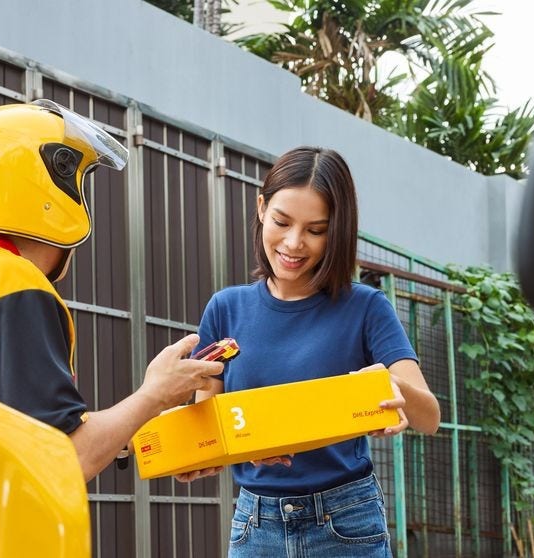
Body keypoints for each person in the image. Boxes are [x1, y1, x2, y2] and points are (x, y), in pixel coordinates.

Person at [0, 99, 222, 481]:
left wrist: (141, 429)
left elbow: (6, 430)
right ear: (46, 185)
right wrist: (155, 393)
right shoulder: (11, 284)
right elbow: (64, 458)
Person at [175, 146, 440, 557]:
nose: (294, 243)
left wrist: (393, 388)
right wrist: (209, 453)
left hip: (346, 521)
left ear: (337, 231)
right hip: (256, 526)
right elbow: (209, 423)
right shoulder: (225, 309)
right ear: (261, 208)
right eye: (282, 222)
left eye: (316, 230)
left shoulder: (366, 307)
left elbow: (430, 417)